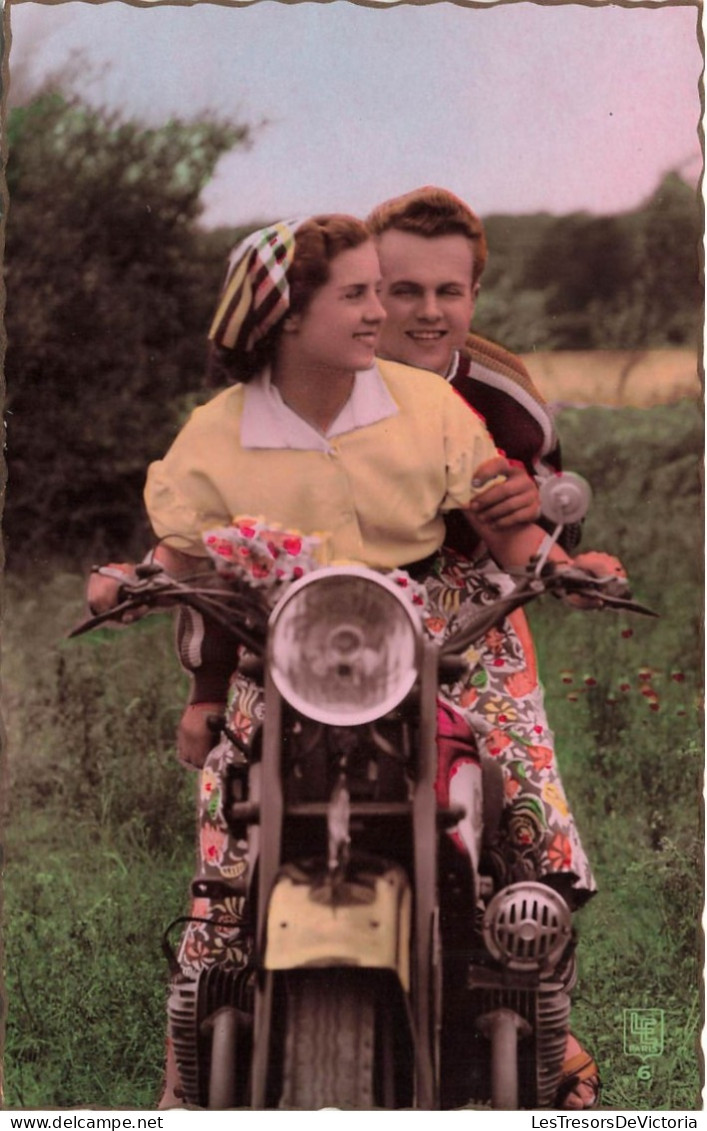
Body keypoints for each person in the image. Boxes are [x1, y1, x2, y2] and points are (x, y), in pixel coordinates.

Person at [88, 214, 617, 1108]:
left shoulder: (427, 405)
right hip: (282, 640)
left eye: (383, 289)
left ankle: (547, 1026)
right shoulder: (214, 435)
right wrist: (130, 581)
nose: (382, 312)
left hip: (432, 626)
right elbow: (178, 556)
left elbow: (509, 525)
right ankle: (185, 1079)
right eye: (359, 293)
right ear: (286, 314)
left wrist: (562, 567)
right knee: (230, 837)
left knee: (515, 800)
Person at [367, 185, 601, 1108]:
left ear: (473, 295)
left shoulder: (500, 393)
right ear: (360, 290)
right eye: (399, 289)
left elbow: (549, 522)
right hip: (342, 606)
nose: (425, 312)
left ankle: (540, 1006)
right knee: (254, 774)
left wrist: (550, 532)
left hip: (467, 607)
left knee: (519, 799)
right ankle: (214, 1002)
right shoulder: (320, 375)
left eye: (447, 292)